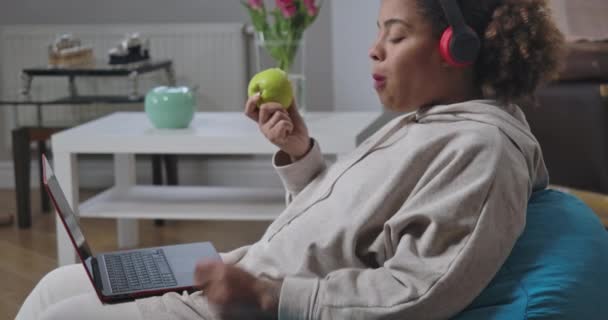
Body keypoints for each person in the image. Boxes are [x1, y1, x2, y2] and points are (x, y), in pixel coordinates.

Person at [16, 0, 564, 319]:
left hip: (249, 306)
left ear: (458, 51)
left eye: (395, 37)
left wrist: (266, 295)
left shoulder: (481, 151)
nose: (374, 50)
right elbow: (344, 227)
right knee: (54, 288)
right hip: (238, 272)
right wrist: (300, 154)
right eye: (378, 33)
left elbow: (417, 291)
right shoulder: (427, 123)